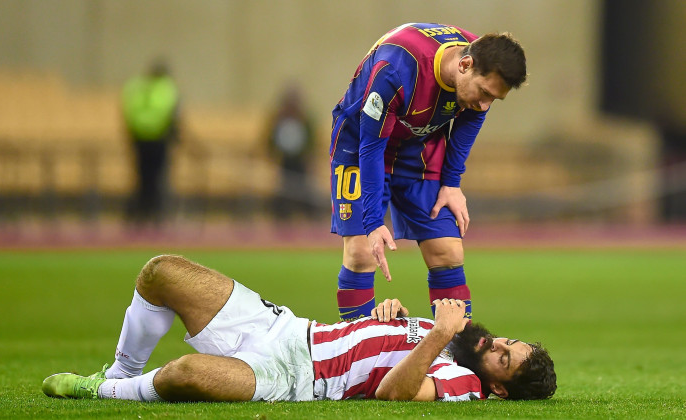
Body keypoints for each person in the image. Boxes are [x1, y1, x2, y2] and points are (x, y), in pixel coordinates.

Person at [42, 255, 556, 402]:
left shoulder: (464, 384)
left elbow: (392, 393)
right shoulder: (454, 340)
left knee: (185, 374)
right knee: (160, 273)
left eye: (503, 358)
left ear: (497, 388)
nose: (496, 344)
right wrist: (385, 316)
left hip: (295, 379)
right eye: (509, 341)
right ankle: (119, 368)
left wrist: (437, 335)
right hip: (289, 328)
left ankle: (103, 391)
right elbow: (370, 346)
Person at [329, 23, 527, 321]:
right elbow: (371, 147)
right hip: (360, 146)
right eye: (484, 92)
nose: (485, 104)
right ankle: (359, 355)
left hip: (418, 148)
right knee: (361, 255)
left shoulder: (483, 54)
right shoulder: (395, 70)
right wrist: (371, 222)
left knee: (448, 253)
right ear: (464, 65)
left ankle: (453, 358)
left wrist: (452, 184)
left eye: (494, 99)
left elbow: (471, 120)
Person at [122, 58, 181, 225]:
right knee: (158, 179)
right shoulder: (167, 88)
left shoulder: (136, 87)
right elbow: (173, 114)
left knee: (142, 179)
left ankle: (139, 216)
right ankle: (157, 216)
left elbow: (128, 112)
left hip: (139, 139)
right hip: (159, 139)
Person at [265, 82, 317, 219]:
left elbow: (311, 141)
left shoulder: (304, 119)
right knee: (283, 189)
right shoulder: (278, 119)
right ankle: (281, 216)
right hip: (284, 160)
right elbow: (270, 139)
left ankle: (310, 217)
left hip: (301, 161)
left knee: (304, 189)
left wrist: (310, 157)